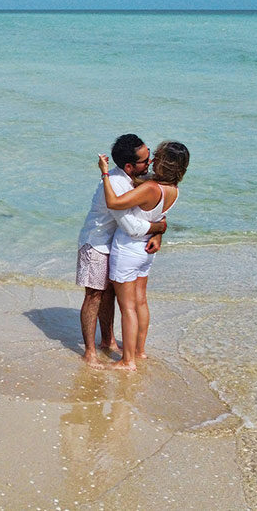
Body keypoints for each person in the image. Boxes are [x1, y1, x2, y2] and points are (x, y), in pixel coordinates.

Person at [75, 134, 167, 368]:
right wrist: (159, 228)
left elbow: (153, 210)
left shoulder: (136, 178)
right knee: (94, 295)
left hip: (115, 243)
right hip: (95, 243)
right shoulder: (116, 184)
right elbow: (130, 225)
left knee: (111, 295)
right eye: (145, 161)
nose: (150, 164)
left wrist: (157, 231)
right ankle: (89, 352)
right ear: (129, 166)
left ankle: (108, 341)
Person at [97, 140, 190, 371]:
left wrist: (105, 174)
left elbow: (114, 202)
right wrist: (159, 232)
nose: (151, 161)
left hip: (128, 249)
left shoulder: (150, 188)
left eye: (155, 156)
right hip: (146, 252)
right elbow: (159, 219)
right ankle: (139, 351)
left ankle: (127, 361)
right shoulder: (173, 191)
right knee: (140, 301)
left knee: (127, 307)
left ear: (163, 162)